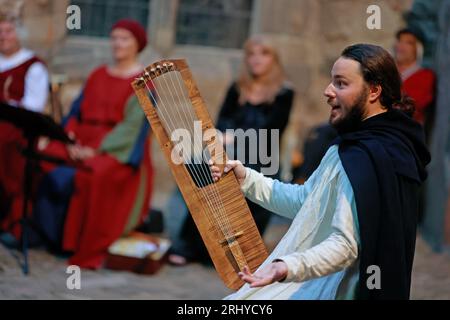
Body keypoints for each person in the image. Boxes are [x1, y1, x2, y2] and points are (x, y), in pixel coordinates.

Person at [211, 44, 430, 300]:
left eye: (341, 83)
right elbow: (307, 202)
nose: (328, 91)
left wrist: (285, 267)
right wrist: (246, 178)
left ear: (373, 91)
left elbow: (345, 245)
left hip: (332, 290)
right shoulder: (365, 145)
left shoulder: (367, 156)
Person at [32, 19, 154, 269]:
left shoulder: (144, 82)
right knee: (36, 154)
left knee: (95, 174)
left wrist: (96, 150)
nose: (118, 43)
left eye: (124, 39)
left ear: (137, 44)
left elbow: (132, 129)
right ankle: (37, 230)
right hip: (81, 142)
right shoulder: (98, 74)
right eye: (115, 38)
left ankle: (81, 246)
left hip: (115, 151)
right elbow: (75, 112)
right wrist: (69, 139)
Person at [168, 35, 295, 266]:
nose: (256, 59)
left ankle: (237, 253)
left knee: (234, 176)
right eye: (252, 54)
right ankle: (193, 246)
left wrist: (233, 136)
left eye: (264, 54)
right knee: (203, 171)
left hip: (262, 154)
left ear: (274, 59)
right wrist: (219, 137)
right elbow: (221, 121)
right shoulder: (237, 88)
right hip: (230, 151)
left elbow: (271, 130)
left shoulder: (284, 93)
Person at [0, 14, 49, 238]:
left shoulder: (33, 66)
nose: (3, 36)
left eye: (8, 31)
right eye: (0, 31)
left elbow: (33, 108)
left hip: (17, 127)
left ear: (19, 34)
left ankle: (14, 223)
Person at [394, 28, 436, 140]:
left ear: (418, 49)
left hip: (405, 136)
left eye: (408, 43)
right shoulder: (387, 71)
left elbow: (412, 107)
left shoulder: (425, 76)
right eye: (400, 41)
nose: (401, 46)